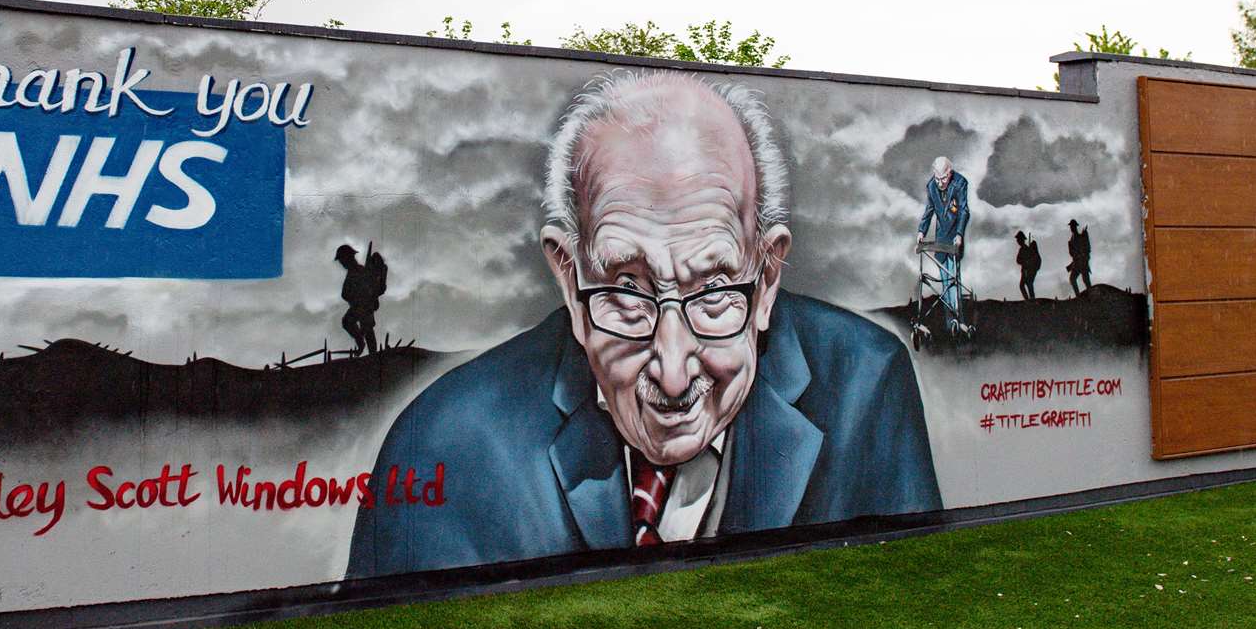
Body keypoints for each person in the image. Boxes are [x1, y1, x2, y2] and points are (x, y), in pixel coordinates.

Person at [346, 71, 940, 579]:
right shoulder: (445, 446)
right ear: (569, 279)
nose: (675, 373)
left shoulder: (867, 386)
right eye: (627, 291)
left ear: (766, 279)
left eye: (713, 290)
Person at [916, 156, 971, 333]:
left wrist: (960, 234)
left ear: (950, 173)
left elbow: (963, 211)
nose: (940, 183)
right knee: (945, 280)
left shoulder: (960, 183)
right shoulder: (931, 186)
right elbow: (929, 211)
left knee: (954, 278)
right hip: (941, 237)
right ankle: (950, 324)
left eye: (944, 178)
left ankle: (958, 319)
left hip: (955, 236)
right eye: (937, 178)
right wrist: (921, 231)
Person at [335, 243, 386, 356]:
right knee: (354, 324)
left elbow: (373, 287)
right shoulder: (353, 273)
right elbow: (345, 294)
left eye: (342, 260)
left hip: (364, 305)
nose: (342, 263)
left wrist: (371, 299)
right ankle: (363, 345)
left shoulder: (360, 271)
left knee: (365, 327)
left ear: (348, 258)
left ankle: (371, 353)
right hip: (358, 305)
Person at [1066, 219, 1092, 296]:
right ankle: (1078, 296)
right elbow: (1071, 253)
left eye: (1072, 226)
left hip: (1083, 263)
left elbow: (1087, 249)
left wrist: (1082, 255)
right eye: (1071, 226)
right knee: (1072, 279)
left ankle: (1091, 295)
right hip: (1077, 264)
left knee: (1086, 281)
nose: (1071, 228)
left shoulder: (1081, 237)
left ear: (1075, 227)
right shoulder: (1071, 240)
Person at [1014, 230, 1040, 301]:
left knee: (1028, 283)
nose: (1017, 241)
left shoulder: (1027, 249)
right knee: (1023, 285)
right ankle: (1028, 299)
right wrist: (1024, 262)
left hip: (1029, 270)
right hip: (1025, 270)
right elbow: (1018, 260)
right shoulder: (1022, 249)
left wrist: (1027, 262)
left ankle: (1032, 299)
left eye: (1018, 239)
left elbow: (1033, 258)